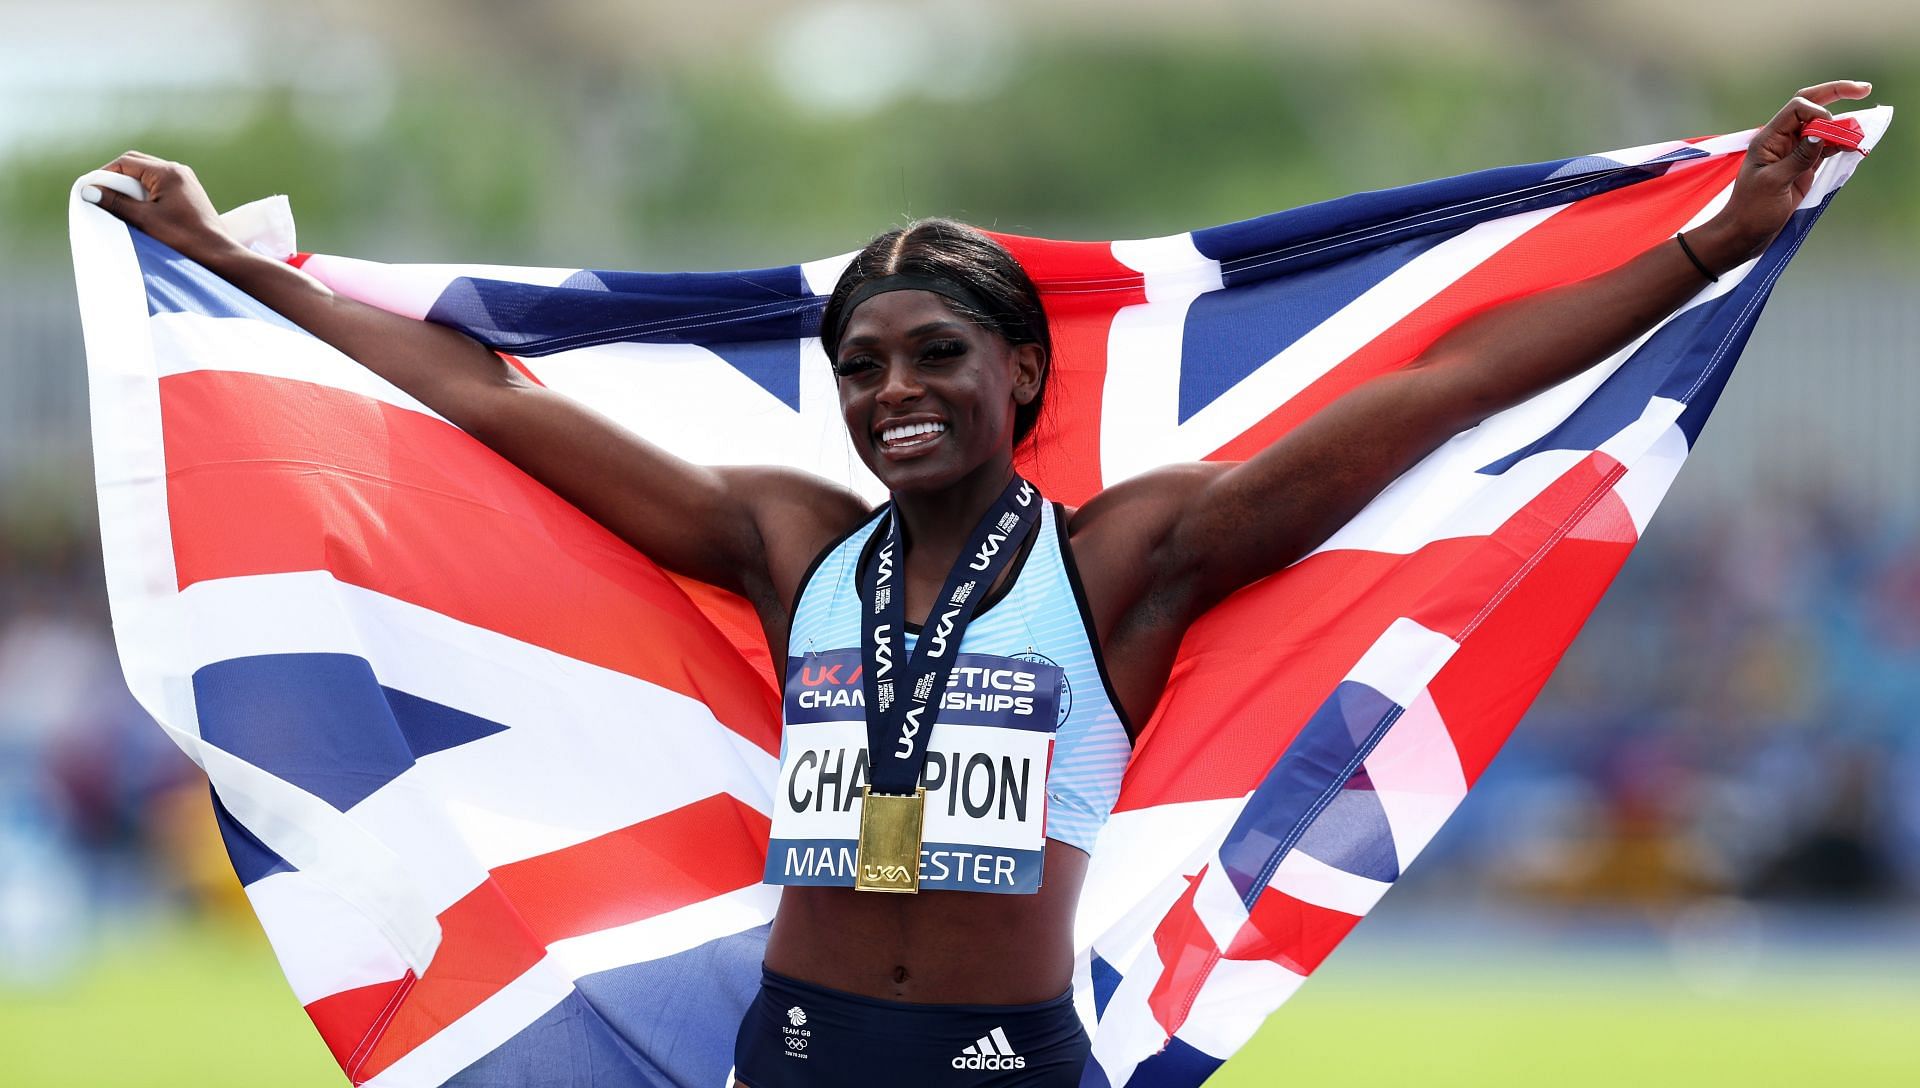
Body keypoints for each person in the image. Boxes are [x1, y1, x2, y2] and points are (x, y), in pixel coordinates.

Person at [86, 80, 1869, 1086]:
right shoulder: (796, 546)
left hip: (1008, 1061)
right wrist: (235, 271)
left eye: (935, 354)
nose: (892, 393)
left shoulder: (1125, 561)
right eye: (860, 365)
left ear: (1023, 377)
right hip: (790, 1051)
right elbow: (487, 401)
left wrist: (1721, 232)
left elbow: (1444, 390)